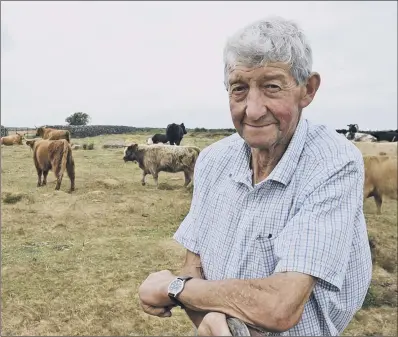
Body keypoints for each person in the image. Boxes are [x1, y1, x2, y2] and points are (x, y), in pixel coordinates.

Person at [138, 16, 373, 336]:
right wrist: (205, 319)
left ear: (308, 89)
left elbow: (280, 307)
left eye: (272, 87)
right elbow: (195, 266)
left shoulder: (333, 163)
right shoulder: (211, 161)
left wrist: (173, 288)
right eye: (239, 88)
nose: (253, 109)